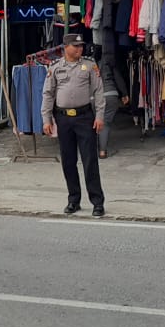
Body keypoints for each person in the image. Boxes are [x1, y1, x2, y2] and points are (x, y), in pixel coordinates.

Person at [41, 33, 106, 216]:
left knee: (89, 161)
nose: (80, 49)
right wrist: (46, 119)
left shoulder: (89, 65)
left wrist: (99, 116)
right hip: (63, 119)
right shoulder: (55, 68)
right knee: (68, 161)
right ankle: (73, 200)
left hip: (84, 117)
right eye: (76, 46)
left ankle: (97, 202)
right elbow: (48, 94)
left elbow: (99, 92)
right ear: (66, 47)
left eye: (81, 46)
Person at [97, 46, 129, 160]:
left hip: (94, 97)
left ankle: (93, 146)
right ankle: (102, 151)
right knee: (105, 123)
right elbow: (118, 79)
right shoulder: (109, 64)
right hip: (111, 94)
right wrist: (124, 94)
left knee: (94, 121)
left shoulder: (88, 64)